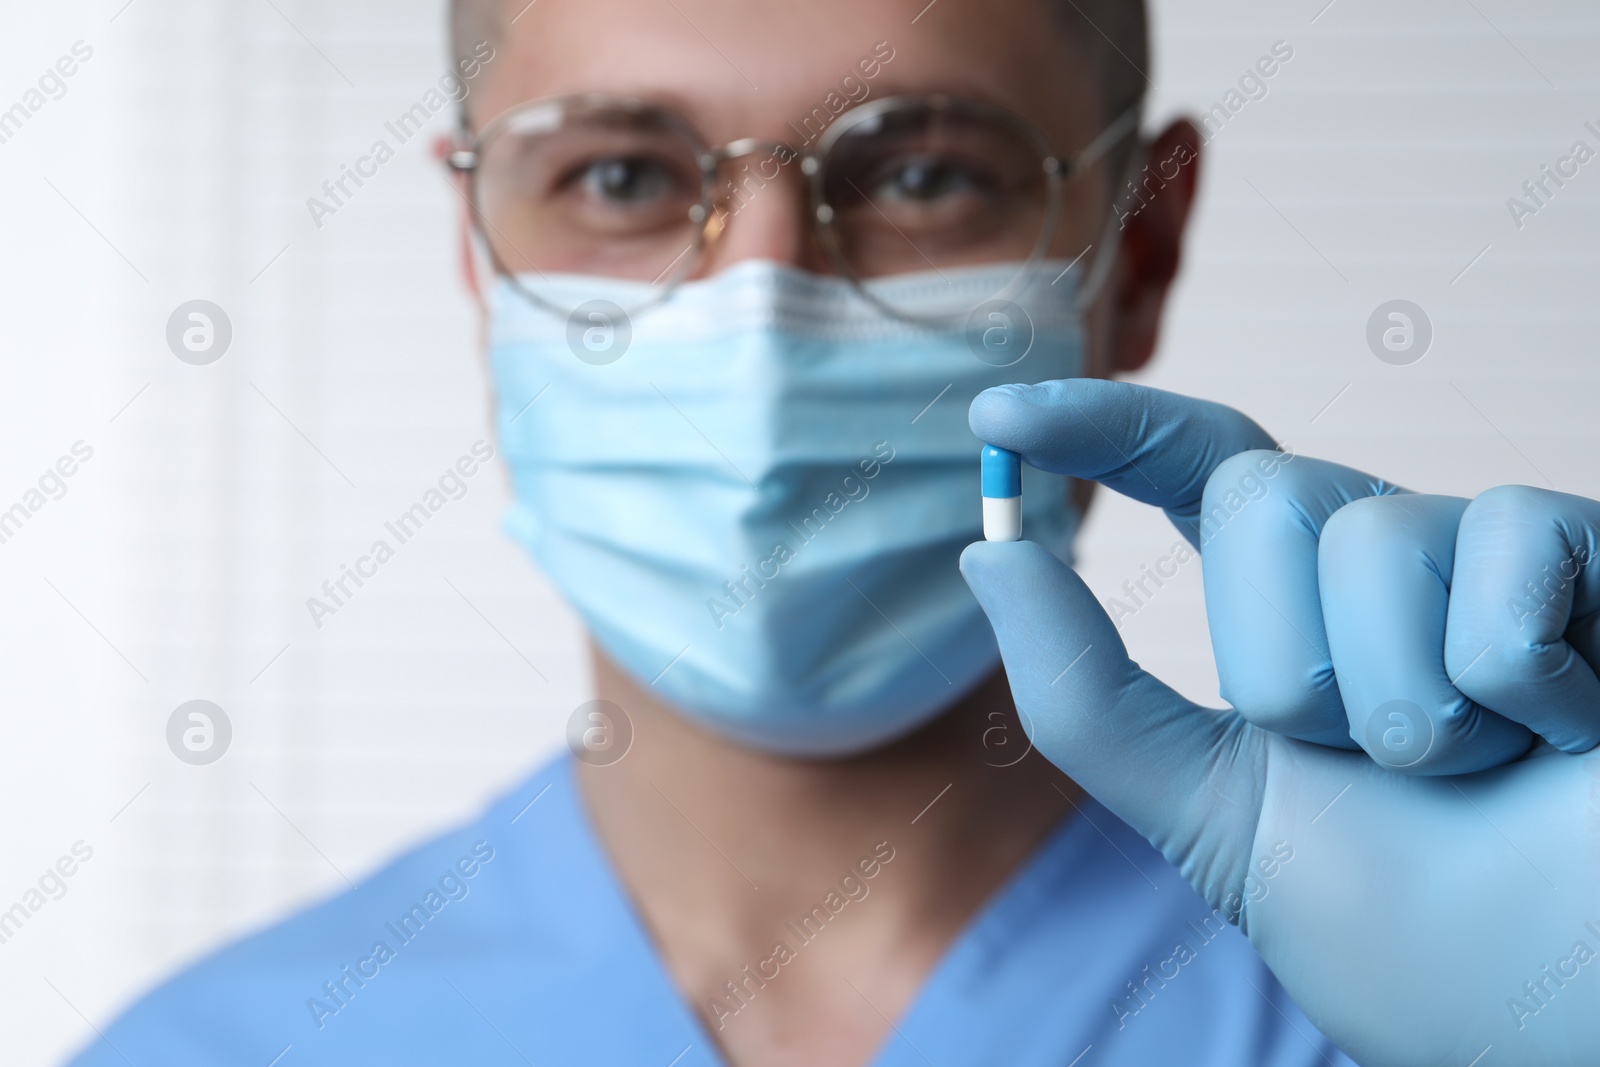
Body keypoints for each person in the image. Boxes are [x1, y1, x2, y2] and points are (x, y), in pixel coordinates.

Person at [71, 0, 1600, 1064]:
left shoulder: (1439, 995)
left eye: (920, 173)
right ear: (479, 252)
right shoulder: (230, 1048)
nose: (762, 302)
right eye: (620, 176)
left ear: (1135, 247)